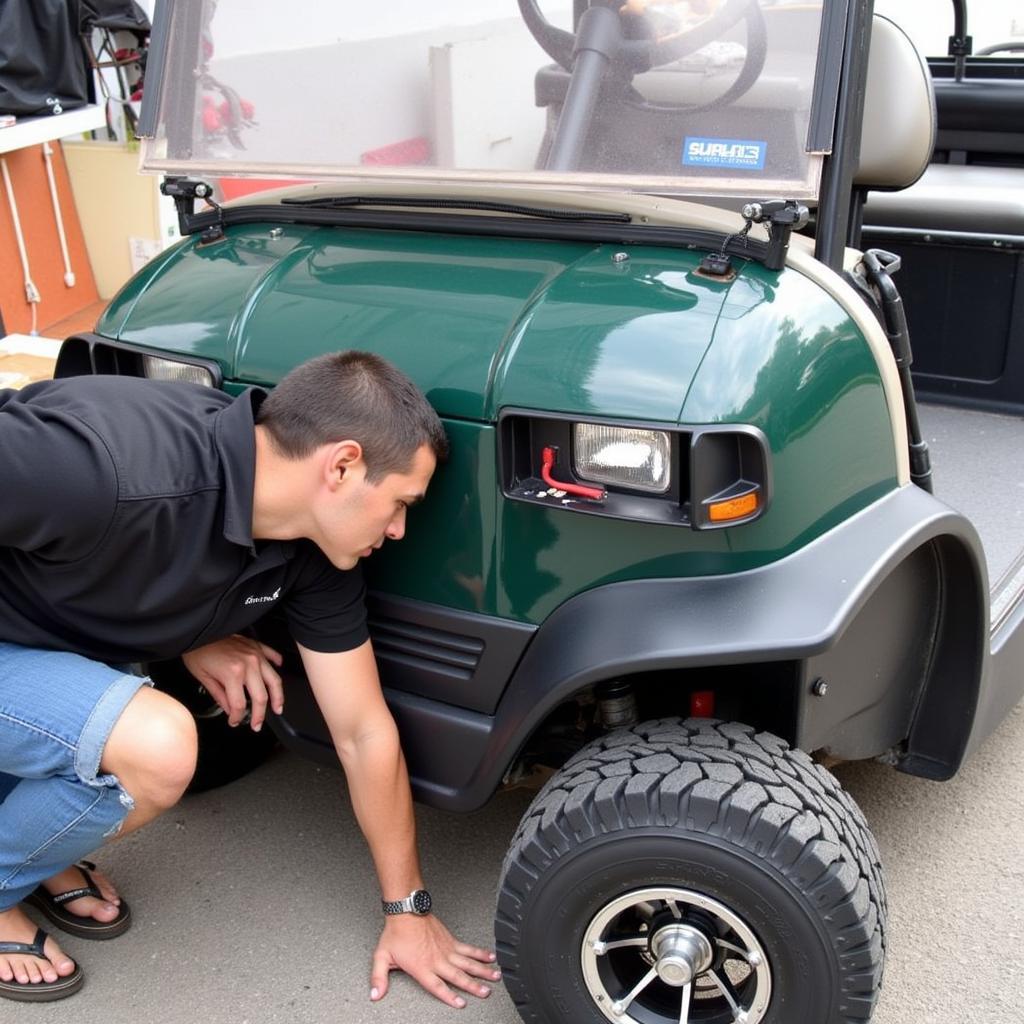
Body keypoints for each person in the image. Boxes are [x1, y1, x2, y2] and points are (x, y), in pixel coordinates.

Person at [0, 350, 500, 1006]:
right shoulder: (105, 469)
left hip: (50, 639)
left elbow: (361, 729)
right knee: (156, 745)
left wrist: (407, 910)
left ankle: (34, 850)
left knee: (122, 733)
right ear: (343, 464)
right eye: (402, 502)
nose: (401, 528)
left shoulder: (315, 553)